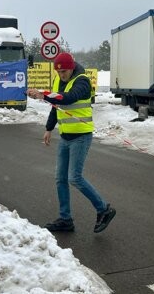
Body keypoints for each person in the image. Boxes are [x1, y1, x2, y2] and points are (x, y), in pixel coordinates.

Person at [27, 52, 116, 233]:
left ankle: (104, 209)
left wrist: (43, 95)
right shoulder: (58, 81)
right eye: (59, 73)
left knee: (74, 177)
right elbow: (57, 106)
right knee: (60, 179)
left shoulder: (82, 81)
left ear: (72, 67)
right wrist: (49, 128)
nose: (61, 76)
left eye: (64, 72)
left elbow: (68, 98)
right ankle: (65, 219)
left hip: (81, 136)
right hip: (66, 136)